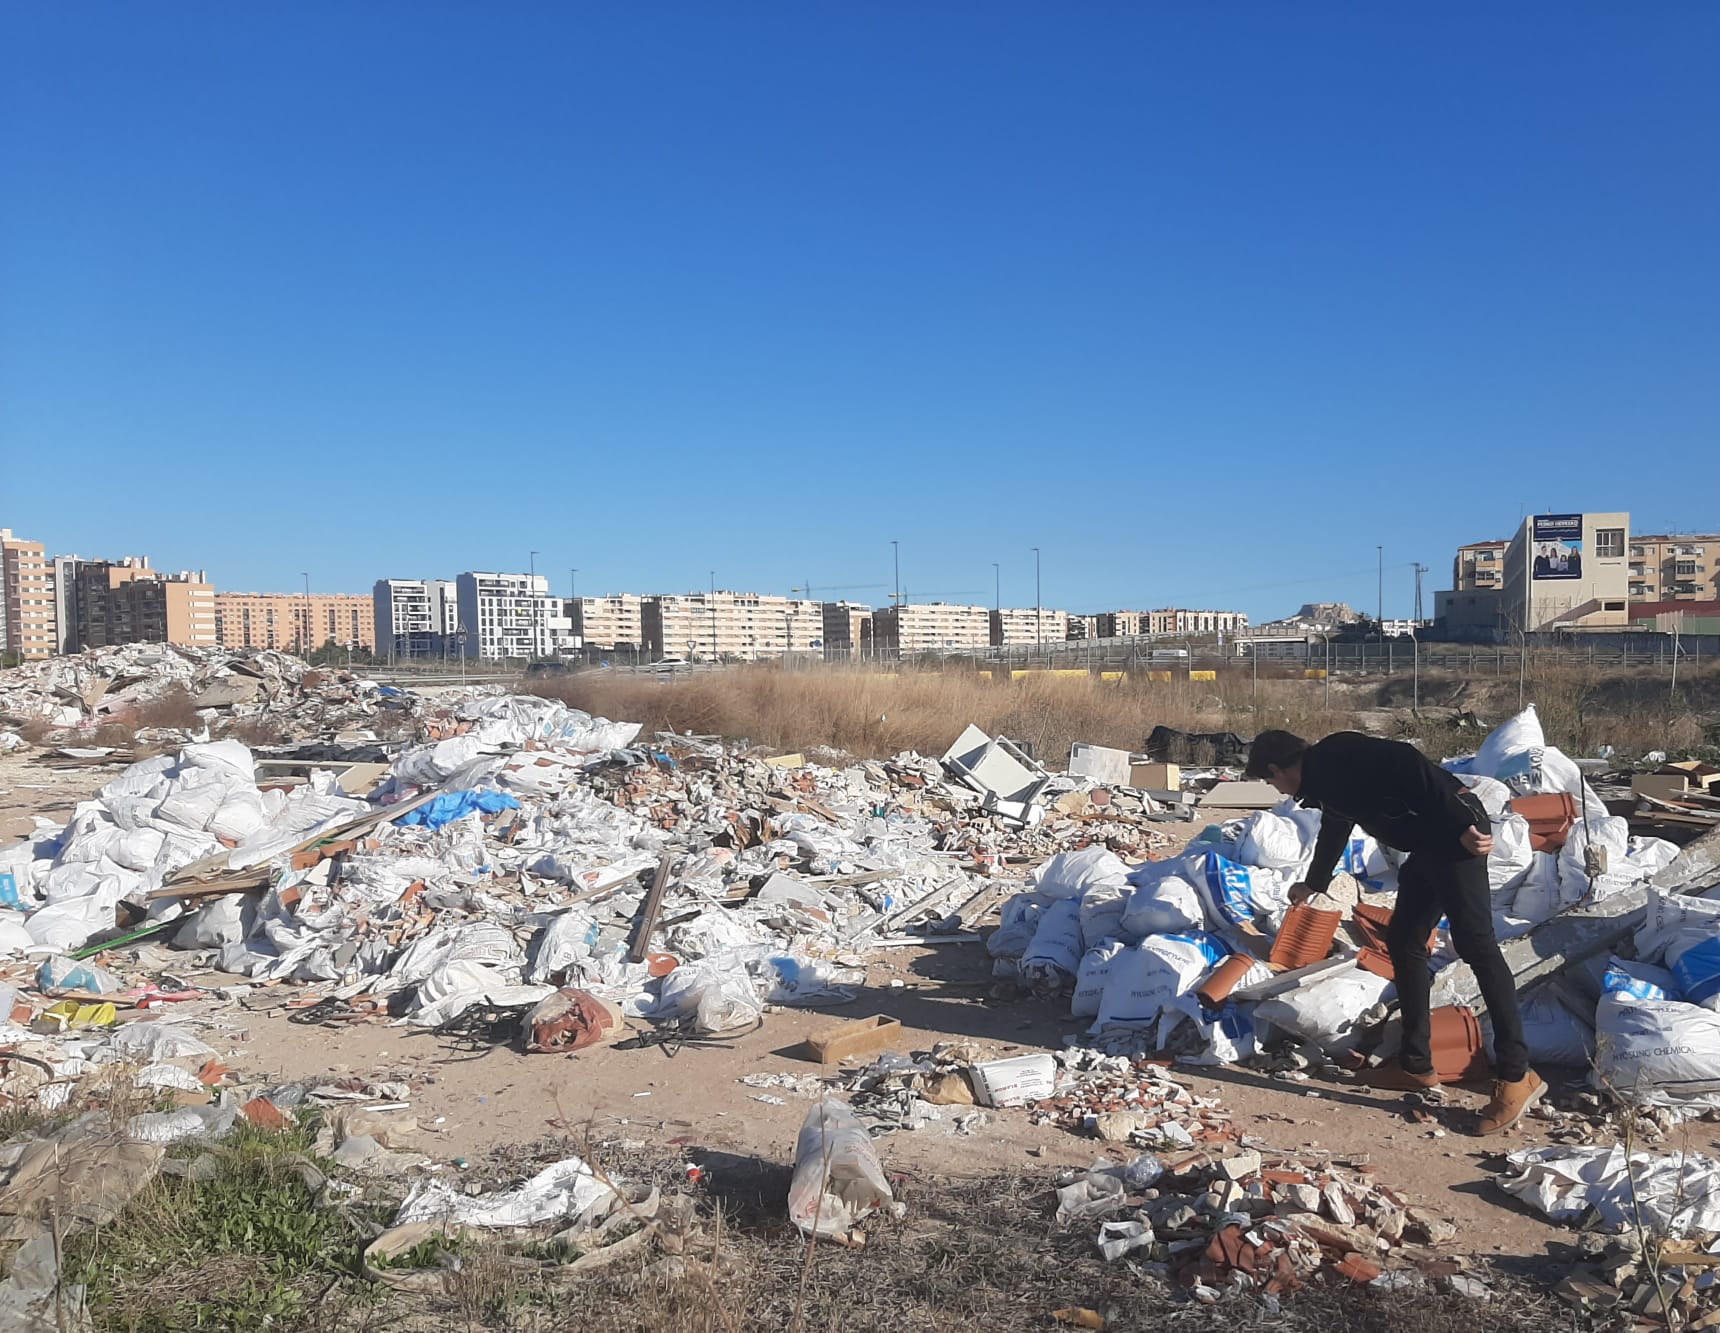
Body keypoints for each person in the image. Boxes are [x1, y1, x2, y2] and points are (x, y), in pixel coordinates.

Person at [1244, 728, 1545, 1134]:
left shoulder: (1336, 753)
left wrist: (1462, 821)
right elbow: (1337, 826)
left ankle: (1516, 1075)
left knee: (1477, 946)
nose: (1276, 788)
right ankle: (1416, 1064)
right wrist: (1314, 883)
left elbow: (1406, 759)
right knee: (1404, 941)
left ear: (1278, 768)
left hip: (1457, 837)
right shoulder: (1326, 783)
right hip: (1429, 846)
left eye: (1270, 780)